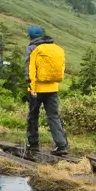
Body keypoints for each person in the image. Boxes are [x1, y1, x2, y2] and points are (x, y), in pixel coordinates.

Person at [24, 26, 69, 156]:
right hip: (53, 88)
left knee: (33, 115)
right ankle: (61, 145)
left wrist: (30, 85)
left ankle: (33, 144)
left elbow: (28, 68)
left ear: (31, 36)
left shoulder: (32, 48)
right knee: (54, 116)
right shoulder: (55, 48)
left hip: (36, 88)